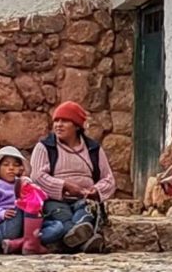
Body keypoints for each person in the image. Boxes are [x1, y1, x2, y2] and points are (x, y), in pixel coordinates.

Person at [26, 101, 114, 252]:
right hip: (55, 201)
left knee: (86, 210)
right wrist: (64, 185)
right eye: (56, 121)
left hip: (84, 200)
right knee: (63, 216)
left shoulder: (93, 149)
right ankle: (86, 240)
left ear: (77, 126)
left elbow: (108, 179)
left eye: (65, 121)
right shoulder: (45, 147)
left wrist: (95, 191)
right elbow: (37, 176)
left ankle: (78, 236)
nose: (58, 125)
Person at [0, 147, 46, 253]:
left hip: (25, 228)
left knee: (56, 227)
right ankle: (29, 242)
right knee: (27, 202)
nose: (11, 168)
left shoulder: (23, 184)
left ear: (22, 169)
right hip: (2, 230)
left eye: (16, 165)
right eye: (6, 165)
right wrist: (1, 213)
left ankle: (20, 243)